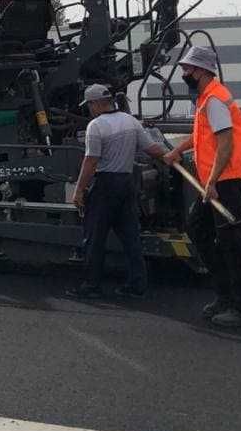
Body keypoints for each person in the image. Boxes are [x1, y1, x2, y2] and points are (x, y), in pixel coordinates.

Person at [161, 46, 241, 328]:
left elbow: (225, 142)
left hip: (226, 181)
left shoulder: (215, 99)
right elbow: (202, 136)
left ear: (202, 71)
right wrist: (177, 150)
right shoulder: (207, 98)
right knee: (198, 229)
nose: (184, 74)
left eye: (188, 69)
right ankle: (226, 295)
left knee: (232, 244)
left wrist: (213, 181)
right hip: (218, 181)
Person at [68, 84, 167, 299]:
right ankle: (137, 285)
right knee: (131, 237)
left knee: (95, 238)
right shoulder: (130, 121)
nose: (89, 109)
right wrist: (172, 156)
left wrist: (78, 191)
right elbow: (152, 149)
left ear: (95, 104)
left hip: (105, 185)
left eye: (89, 105)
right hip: (128, 183)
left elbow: (91, 161)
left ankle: (92, 286)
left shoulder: (96, 126)